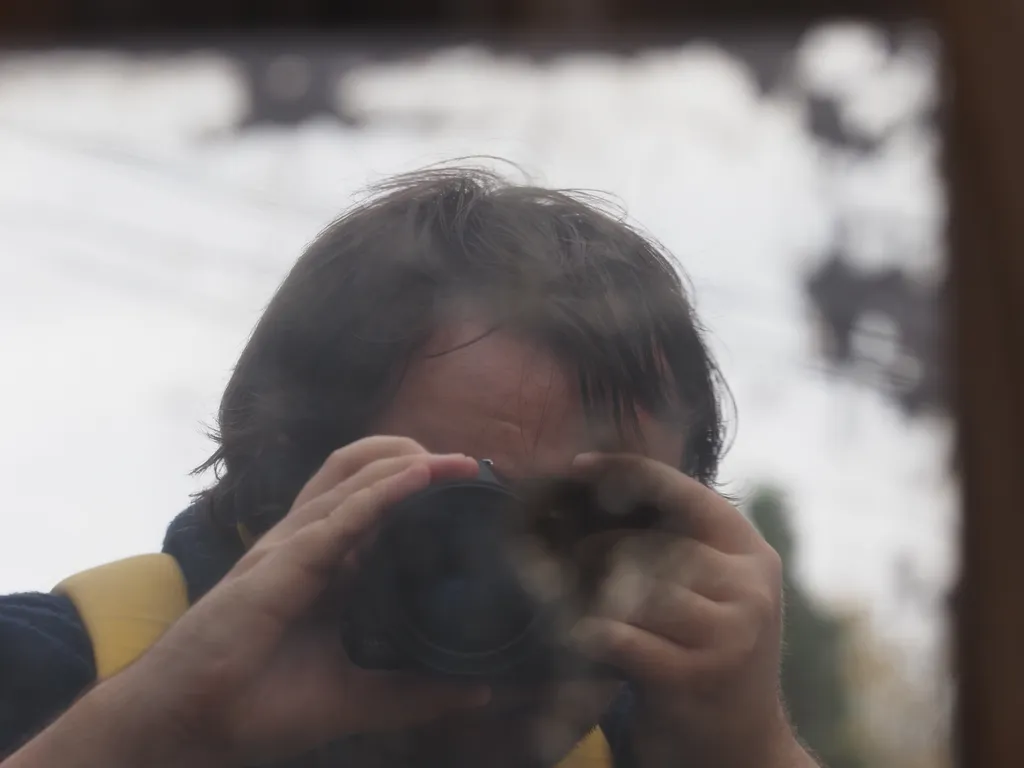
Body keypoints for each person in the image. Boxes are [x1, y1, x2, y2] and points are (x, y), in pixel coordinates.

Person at [0, 167, 819, 768]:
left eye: (596, 535)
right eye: (461, 513)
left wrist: (755, 750)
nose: (523, 580)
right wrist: (153, 732)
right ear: (280, 498)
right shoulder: (49, 672)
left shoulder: (660, 742)